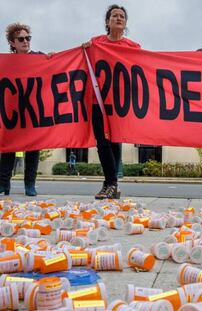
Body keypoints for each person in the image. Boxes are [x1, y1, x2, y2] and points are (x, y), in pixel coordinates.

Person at [83, 4, 141, 199]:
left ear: (125, 24)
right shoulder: (95, 43)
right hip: (98, 101)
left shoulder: (133, 47)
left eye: (122, 16)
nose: (118, 18)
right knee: (103, 142)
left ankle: (111, 185)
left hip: (120, 103)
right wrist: (82, 51)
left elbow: (142, 68)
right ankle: (111, 183)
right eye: (114, 16)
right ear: (107, 22)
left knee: (115, 142)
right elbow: (82, 60)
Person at [0, 23, 44, 196]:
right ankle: (4, 183)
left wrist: (55, 58)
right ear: (12, 43)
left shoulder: (39, 57)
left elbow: (55, 66)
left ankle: (30, 185)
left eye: (28, 38)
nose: (25, 41)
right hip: (13, 110)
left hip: (34, 110)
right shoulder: (6, 62)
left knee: (33, 148)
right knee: (9, 147)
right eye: (21, 39)